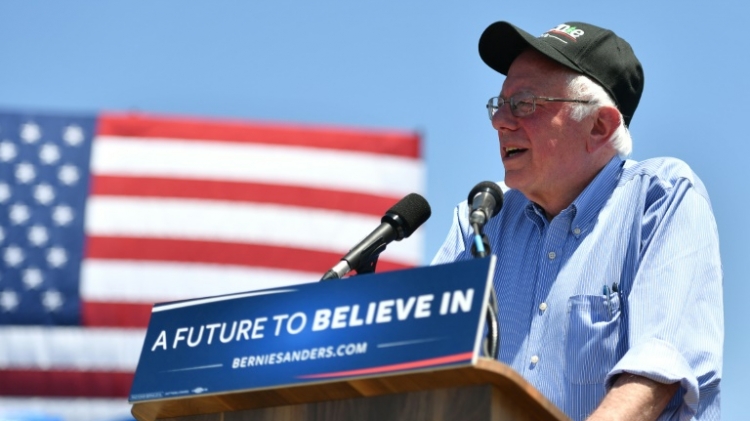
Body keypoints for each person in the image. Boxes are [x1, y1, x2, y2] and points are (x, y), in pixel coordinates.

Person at [432, 21, 723, 421]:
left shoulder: (660, 198)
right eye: (499, 104)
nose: (499, 120)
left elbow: (658, 370)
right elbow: (424, 360)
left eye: (524, 104)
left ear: (599, 126)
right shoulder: (481, 219)